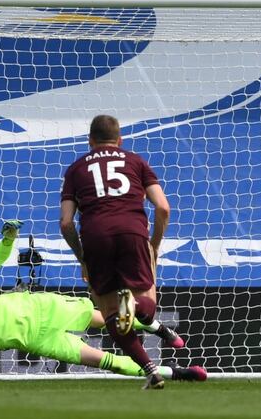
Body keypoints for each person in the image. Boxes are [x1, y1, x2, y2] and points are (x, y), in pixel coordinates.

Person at [0, 220, 206, 384]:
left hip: (46, 308)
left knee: (111, 319)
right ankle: (176, 373)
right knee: (108, 362)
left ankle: (160, 329)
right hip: (39, 339)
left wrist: (9, 236)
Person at [60, 114, 172, 389]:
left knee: (111, 313)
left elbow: (65, 223)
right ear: (120, 140)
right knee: (146, 304)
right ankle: (134, 305)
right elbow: (163, 208)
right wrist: (154, 246)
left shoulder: (75, 169)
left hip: (95, 236)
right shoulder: (136, 161)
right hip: (132, 232)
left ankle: (150, 371)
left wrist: (82, 257)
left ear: (90, 141)